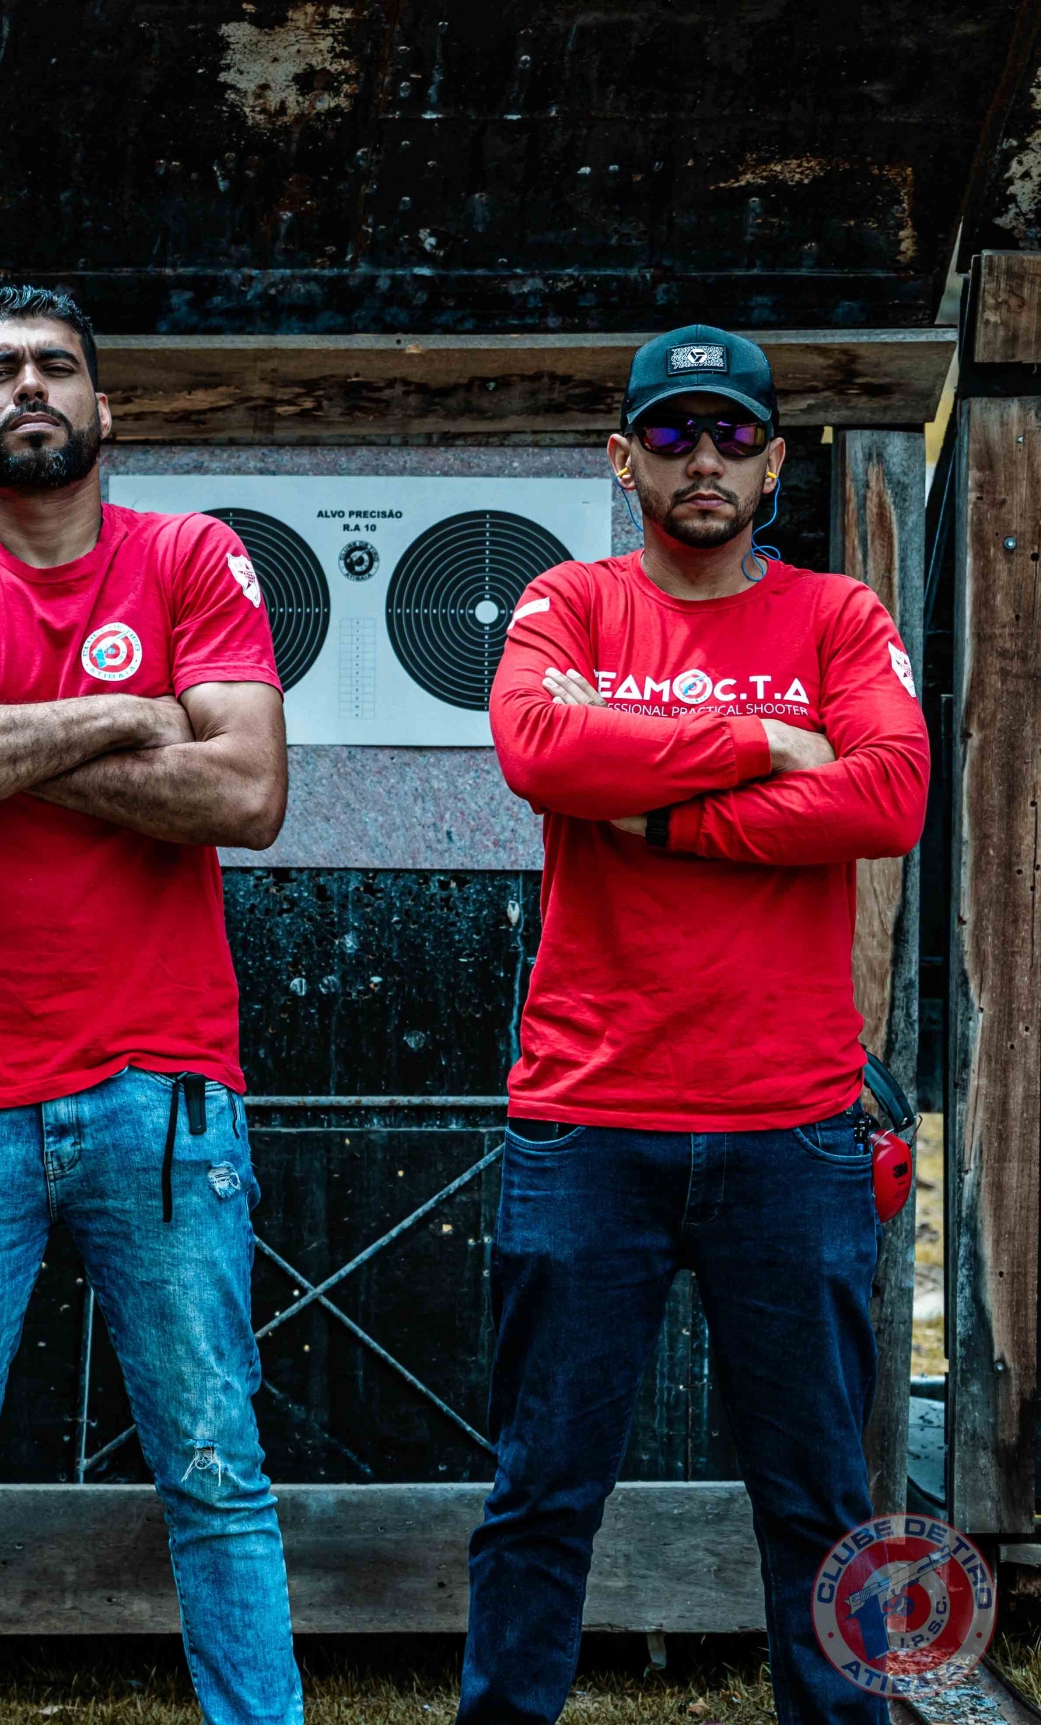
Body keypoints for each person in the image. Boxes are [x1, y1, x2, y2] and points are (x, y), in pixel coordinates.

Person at [0, 285, 301, 1725]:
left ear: (106, 408)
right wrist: (120, 714)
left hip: (163, 1088)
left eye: (55, 366)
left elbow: (246, 791)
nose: (28, 385)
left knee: (218, 1472)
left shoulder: (189, 555)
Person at [466, 325, 930, 1724]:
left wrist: (659, 813)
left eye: (733, 434)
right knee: (542, 1492)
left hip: (792, 1127)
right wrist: (763, 743)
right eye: (672, 434)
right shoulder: (568, 601)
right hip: (586, 1121)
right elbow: (540, 747)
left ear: (776, 460)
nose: (704, 459)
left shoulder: (838, 616)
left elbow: (888, 794)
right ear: (625, 459)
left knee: (821, 1502)